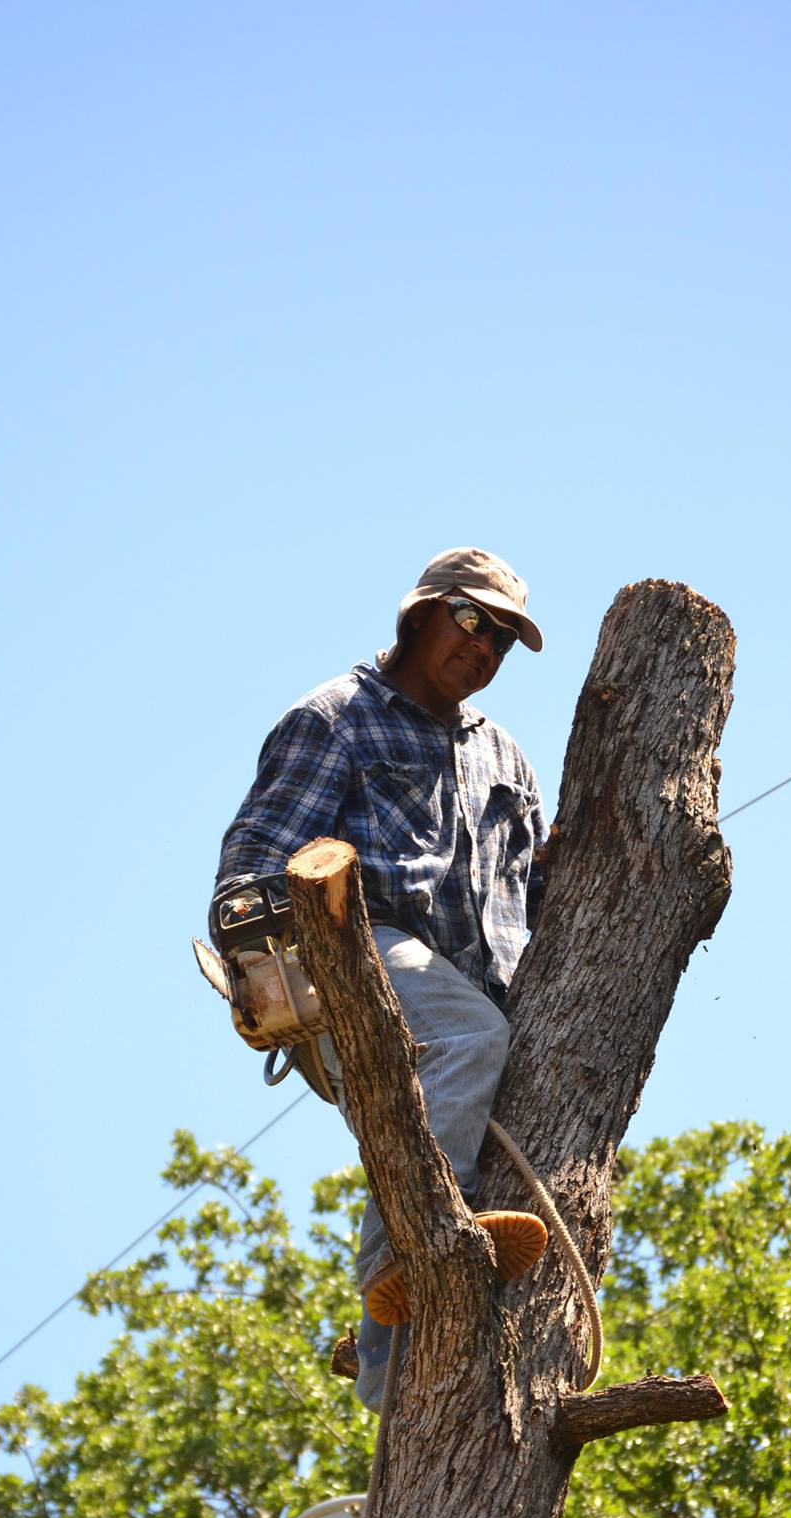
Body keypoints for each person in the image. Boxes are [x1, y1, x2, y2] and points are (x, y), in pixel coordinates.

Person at [213, 547, 550, 1412]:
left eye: (503, 639)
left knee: (484, 1040)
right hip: (361, 954)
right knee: (468, 1036)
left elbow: (542, 891)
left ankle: (384, 1362)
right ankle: (405, 1255)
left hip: (482, 993)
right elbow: (250, 870)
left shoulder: (505, 757)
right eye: (471, 620)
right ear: (421, 614)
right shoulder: (337, 717)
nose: (483, 647)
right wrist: (279, 979)